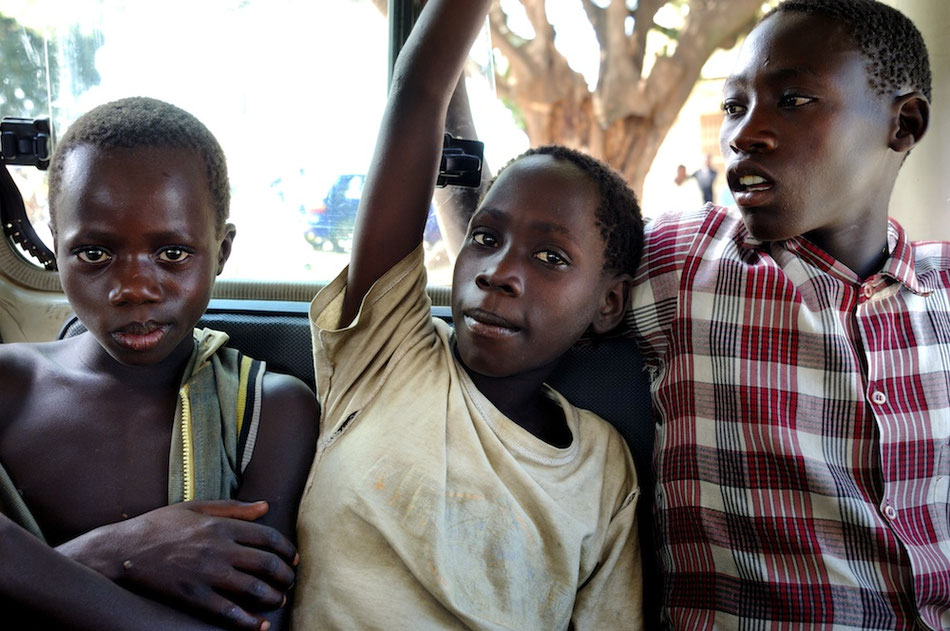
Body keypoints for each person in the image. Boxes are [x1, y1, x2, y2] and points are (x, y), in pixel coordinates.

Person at [291, 0, 645, 628]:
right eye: (485, 237)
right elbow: (419, 92)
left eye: (550, 257)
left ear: (608, 303)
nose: (498, 271)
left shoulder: (600, 467)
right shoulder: (388, 351)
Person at [627, 0, 947, 628]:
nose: (742, 135)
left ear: (903, 124)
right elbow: (518, 260)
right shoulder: (686, 262)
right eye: (734, 106)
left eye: (793, 100)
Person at [0, 97, 319, 630]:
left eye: (172, 254)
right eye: (95, 253)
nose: (135, 288)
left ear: (222, 251)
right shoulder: (9, 385)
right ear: (56, 248)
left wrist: (16, 559)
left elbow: (253, 622)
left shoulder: (266, 412)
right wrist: (120, 550)